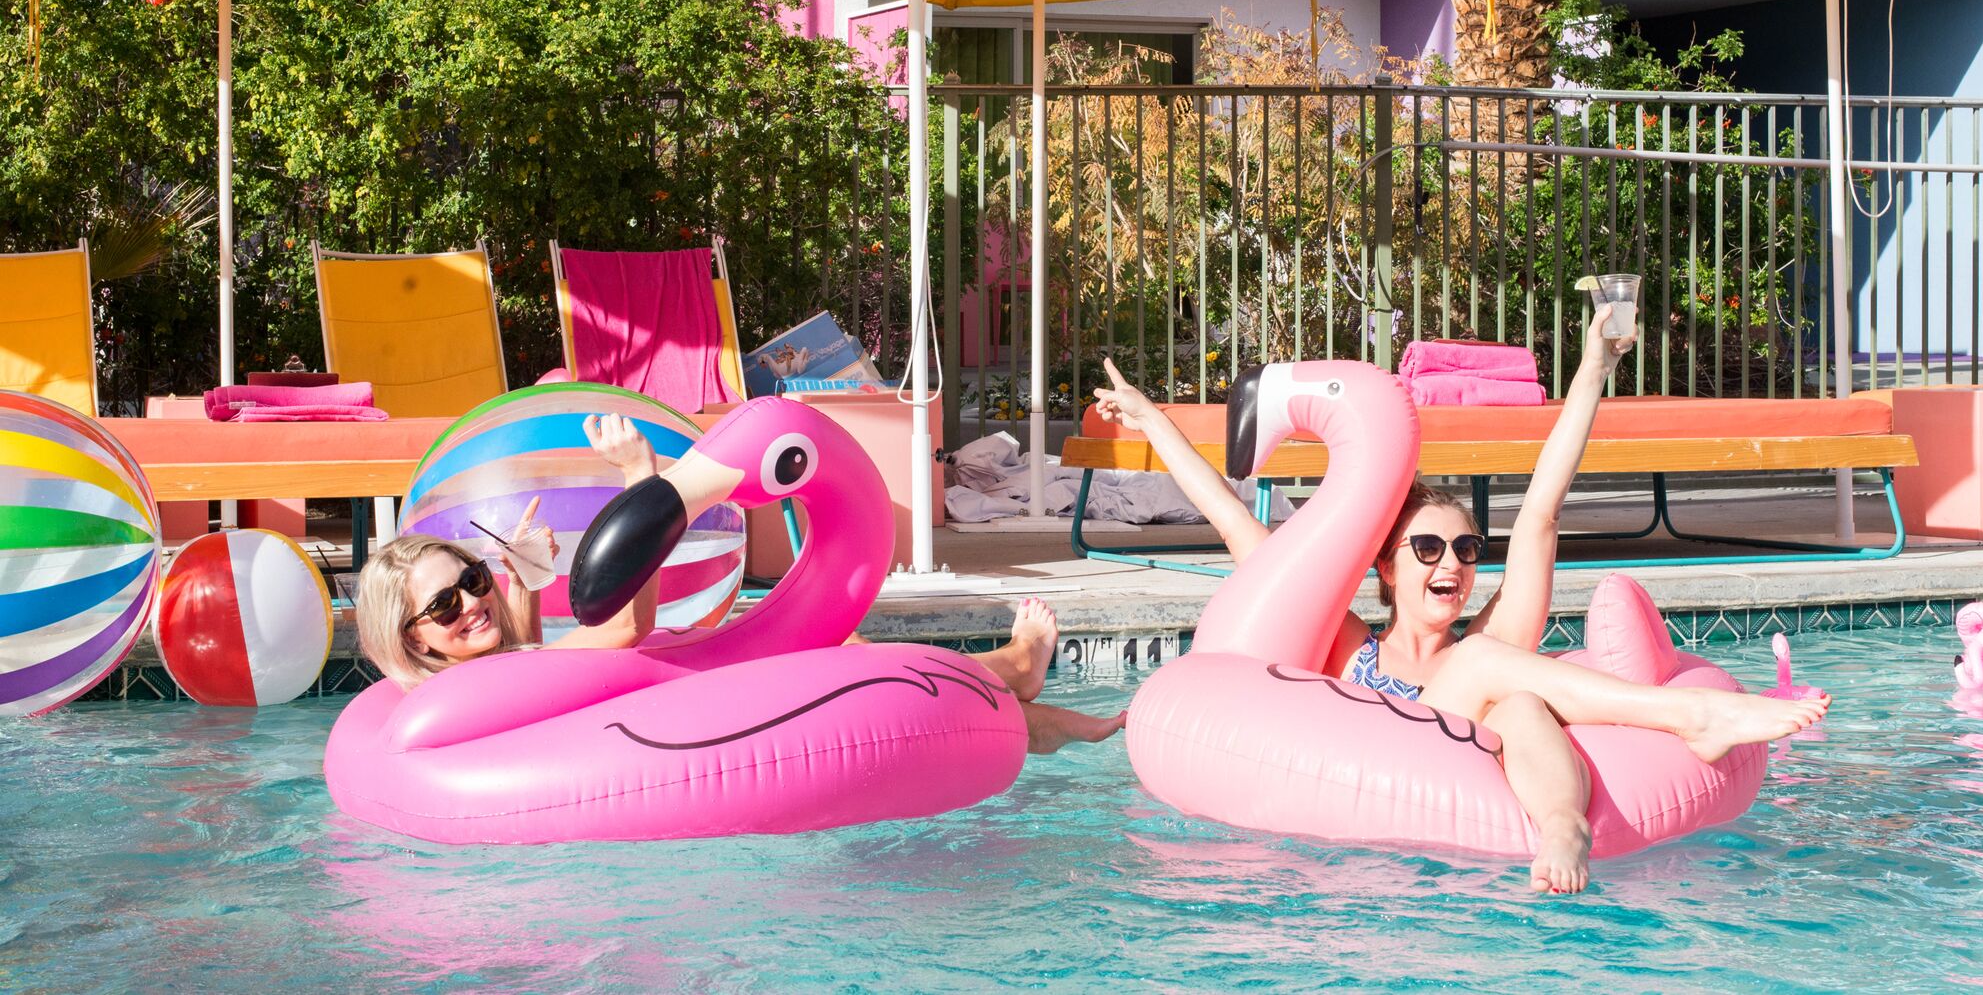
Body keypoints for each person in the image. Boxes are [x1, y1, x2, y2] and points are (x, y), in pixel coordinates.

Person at [1091, 308, 1828, 894]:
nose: (1453, 563)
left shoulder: (1491, 644)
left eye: (1468, 550)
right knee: (1487, 671)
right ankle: (1689, 717)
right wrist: (1153, 422)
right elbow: (1240, 529)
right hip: (1365, 860)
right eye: (1429, 548)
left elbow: (1541, 508)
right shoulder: (1350, 647)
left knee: (1510, 696)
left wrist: (1592, 368)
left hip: (1490, 839)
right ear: (1384, 566)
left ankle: (1567, 821)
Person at [356, 414, 1123, 755]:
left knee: (847, 648)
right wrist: (636, 479)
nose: (471, 600)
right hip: (685, 694)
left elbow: (573, 639)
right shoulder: (470, 698)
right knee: (849, 660)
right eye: (445, 602)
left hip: (679, 677)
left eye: (472, 576)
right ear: (412, 636)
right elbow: (620, 631)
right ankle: (1017, 670)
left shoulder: (502, 666)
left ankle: (1031, 702)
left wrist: (520, 579)